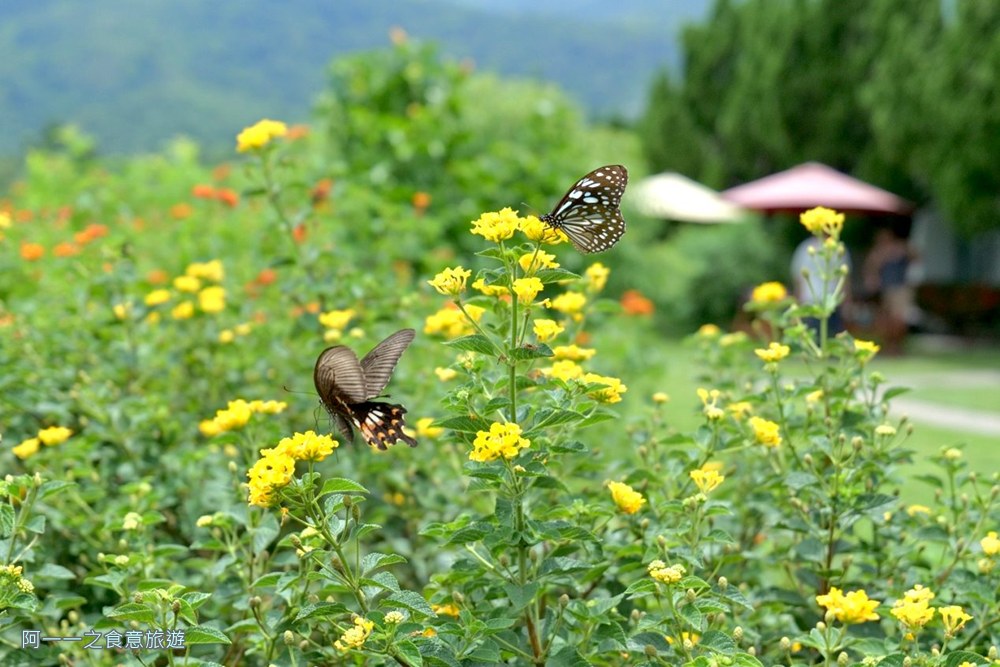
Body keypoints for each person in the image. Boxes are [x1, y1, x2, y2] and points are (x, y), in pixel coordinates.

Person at [863, 228, 915, 354]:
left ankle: (898, 345)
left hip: (901, 289)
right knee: (887, 319)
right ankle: (889, 345)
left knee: (900, 318)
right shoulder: (877, 253)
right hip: (886, 290)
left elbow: (916, 257)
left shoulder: (900, 248)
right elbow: (870, 270)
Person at [791, 235, 852, 336]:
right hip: (812, 302)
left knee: (831, 336)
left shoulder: (837, 249)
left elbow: (844, 279)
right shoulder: (805, 248)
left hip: (832, 303)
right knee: (815, 337)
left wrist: (847, 303)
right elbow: (798, 280)